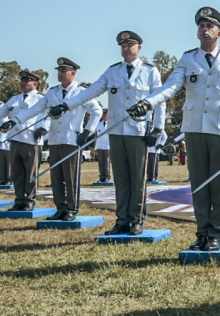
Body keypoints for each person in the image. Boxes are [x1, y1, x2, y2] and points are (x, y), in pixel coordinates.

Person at [128, 7, 220, 251]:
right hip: (194, 128)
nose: (204, 29)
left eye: (209, 26)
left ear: (219, 32)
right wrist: (148, 103)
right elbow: (171, 88)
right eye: (200, 26)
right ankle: (202, 232)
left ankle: (217, 233)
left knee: (219, 183)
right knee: (198, 182)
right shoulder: (188, 58)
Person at [53, 31, 165, 234]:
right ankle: (122, 220)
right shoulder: (113, 71)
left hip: (138, 131)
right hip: (116, 131)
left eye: (130, 45)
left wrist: (158, 128)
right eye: (123, 45)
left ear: (139, 48)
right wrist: (66, 105)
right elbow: (91, 92)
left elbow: (160, 100)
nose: (126, 48)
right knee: (121, 177)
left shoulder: (150, 71)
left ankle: (136, 220)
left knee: (137, 178)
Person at [12, 58, 102, 221]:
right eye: (59, 70)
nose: (59, 73)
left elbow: (97, 111)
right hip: (54, 139)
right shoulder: (52, 92)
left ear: (73, 73)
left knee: (70, 177)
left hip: (71, 139)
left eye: (63, 71)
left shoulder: (81, 92)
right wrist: (17, 120)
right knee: (56, 177)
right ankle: (60, 208)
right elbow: (38, 108)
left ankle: (71, 209)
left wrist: (87, 131)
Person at [0, 71, 50, 209]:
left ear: (35, 84)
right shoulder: (14, 99)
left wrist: (43, 128)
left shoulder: (41, 98)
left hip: (31, 139)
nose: (23, 83)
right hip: (14, 139)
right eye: (22, 80)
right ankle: (19, 199)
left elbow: (49, 115)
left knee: (31, 172)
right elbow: (2, 112)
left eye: (27, 81)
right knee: (17, 172)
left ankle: (29, 200)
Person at [95, 109, 112, 182]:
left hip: (107, 146)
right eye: (103, 115)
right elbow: (94, 133)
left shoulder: (111, 124)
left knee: (107, 162)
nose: (104, 116)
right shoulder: (98, 124)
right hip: (99, 145)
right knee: (101, 162)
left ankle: (107, 176)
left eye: (105, 115)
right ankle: (101, 176)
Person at [0, 104, 9, 186]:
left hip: (7, 139)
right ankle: (3, 178)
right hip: (1, 141)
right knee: (2, 162)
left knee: (8, 161)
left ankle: (9, 179)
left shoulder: (3, 106)